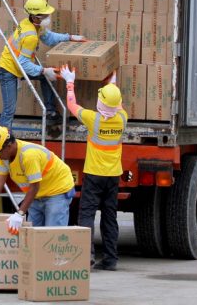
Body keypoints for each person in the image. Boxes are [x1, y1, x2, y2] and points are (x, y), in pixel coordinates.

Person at [60, 65, 128, 271]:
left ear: (100, 102)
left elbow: (72, 106)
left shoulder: (93, 119)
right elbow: (118, 105)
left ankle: (86, 257)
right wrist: (112, 84)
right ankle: (110, 259)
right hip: (113, 176)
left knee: (86, 215)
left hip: (94, 175)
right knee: (110, 217)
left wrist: (69, 82)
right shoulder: (122, 119)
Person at [0, 0, 85, 131]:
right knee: (9, 110)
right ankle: (2, 139)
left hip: (16, 66)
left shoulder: (30, 23)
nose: (48, 16)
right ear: (36, 16)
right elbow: (23, 63)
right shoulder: (30, 35)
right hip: (7, 71)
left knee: (47, 78)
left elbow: (49, 38)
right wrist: (43, 70)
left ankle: (50, 113)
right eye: (45, 14)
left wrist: (70, 37)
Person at [0, 125, 75, 234]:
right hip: (37, 194)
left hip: (57, 191)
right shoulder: (4, 157)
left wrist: (20, 213)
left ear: (9, 146)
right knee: (33, 235)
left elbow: (34, 186)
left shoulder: (28, 155)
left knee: (53, 236)